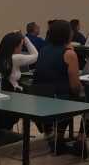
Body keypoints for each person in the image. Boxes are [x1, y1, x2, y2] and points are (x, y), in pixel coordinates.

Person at [32, 20, 86, 154]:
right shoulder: (69, 54)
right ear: (67, 34)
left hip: (42, 98)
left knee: (67, 98)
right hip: (60, 99)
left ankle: (56, 137)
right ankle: (80, 138)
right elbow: (75, 86)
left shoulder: (43, 50)